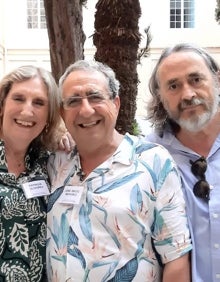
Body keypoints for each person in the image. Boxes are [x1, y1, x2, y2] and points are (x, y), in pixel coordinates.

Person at [46, 59, 192, 282]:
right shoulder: (56, 162)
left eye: (95, 97)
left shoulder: (153, 161)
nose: (85, 110)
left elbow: (176, 257)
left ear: (116, 103)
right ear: (63, 113)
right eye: (73, 101)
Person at [146, 42, 220, 282]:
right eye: (174, 86)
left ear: (216, 79)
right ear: (161, 96)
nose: (188, 94)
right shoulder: (148, 156)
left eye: (196, 79)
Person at [0, 65, 65, 281]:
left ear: (49, 115)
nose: (27, 111)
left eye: (39, 103)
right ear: (2, 105)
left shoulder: (46, 163)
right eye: (18, 99)